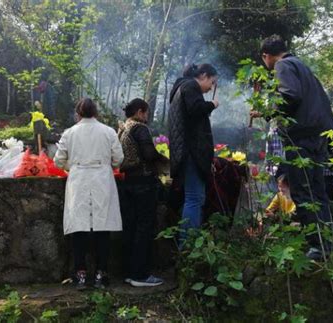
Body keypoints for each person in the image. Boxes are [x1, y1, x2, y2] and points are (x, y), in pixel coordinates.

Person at [258, 35, 333, 260]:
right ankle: (324, 243)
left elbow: (289, 96)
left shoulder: (283, 65)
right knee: (317, 190)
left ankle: (316, 245)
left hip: (301, 137)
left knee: (302, 190)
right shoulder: (302, 66)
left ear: (266, 55)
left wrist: (267, 111)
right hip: (318, 135)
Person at [54, 98, 123, 290]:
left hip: (79, 180)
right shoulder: (108, 132)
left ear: (78, 114)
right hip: (102, 179)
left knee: (79, 227)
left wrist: (74, 166)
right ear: (96, 113)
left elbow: (58, 161)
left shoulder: (70, 133)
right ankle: (101, 273)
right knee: (102, 227)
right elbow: (118, 159)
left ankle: (80, 274)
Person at [168, 63, 219, 245]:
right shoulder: (190, 86)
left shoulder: (181, 88)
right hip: (191, 153)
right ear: (203, 75)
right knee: (194, 198)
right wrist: (212, 104)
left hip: (187, 152)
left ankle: (190, 243)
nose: (210, 88)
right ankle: (188, 246)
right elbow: (196, 109)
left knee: (195, 198)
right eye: (211, 82)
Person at [118, 98, 167, 287]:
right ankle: (140, 274)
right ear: (140, 112)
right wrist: (164, 161)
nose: (146, 117)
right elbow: (148, 154)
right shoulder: (140, 128)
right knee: (144, 228)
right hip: (143, 182)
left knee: (130, 227)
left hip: (128, 182)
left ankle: (129, 272)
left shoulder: (123, 128)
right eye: (146, 113)